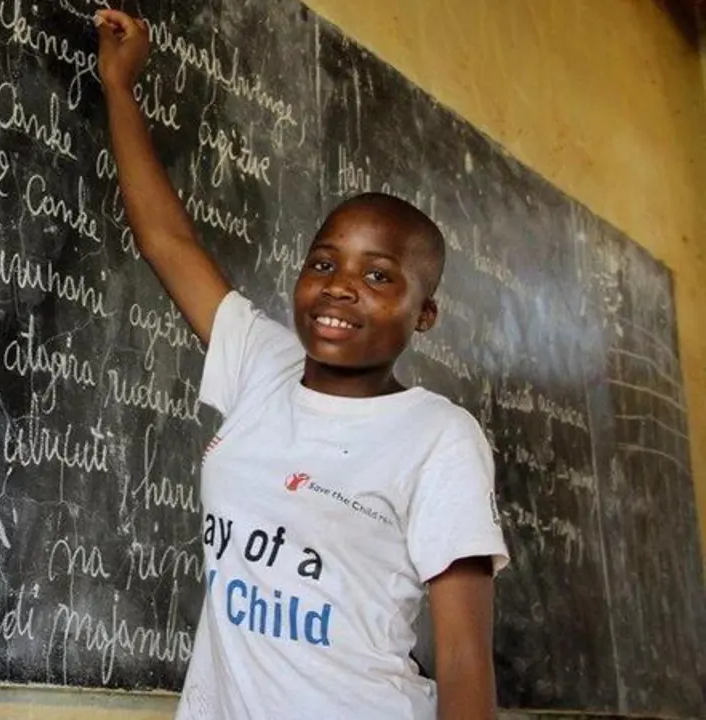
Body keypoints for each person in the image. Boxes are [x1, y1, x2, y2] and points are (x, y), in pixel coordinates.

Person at [94, 9, 510, 720]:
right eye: (324, 263)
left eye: (379, 277)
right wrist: (119, 89)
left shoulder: (439, 438)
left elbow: (465, 658)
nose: (341, 285)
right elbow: (167, 241)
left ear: (425, 314)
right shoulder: (262, 364)